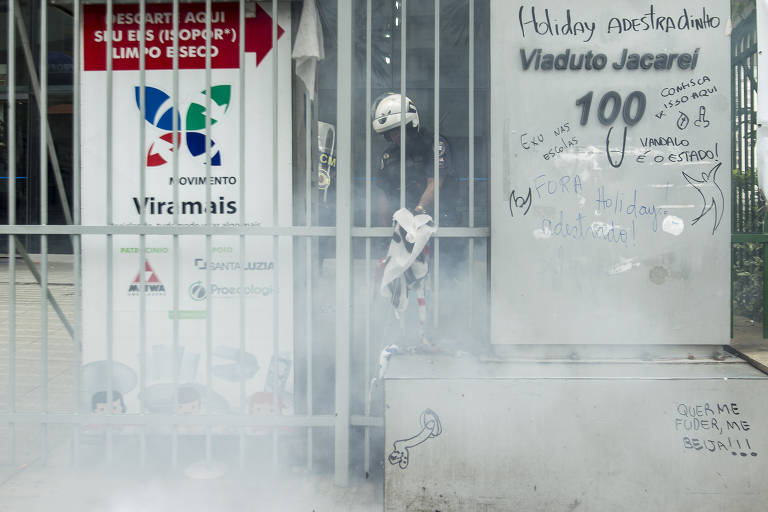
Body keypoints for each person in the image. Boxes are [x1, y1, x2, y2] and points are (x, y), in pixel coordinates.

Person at [372, 93, 457, 227]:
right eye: (390, 133)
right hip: (402, 227)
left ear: (410, 125)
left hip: (440, 224)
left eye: (397, 130)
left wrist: (417, 213)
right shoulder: (389, 155)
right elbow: (384, 194)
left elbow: (435, 182)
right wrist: (385, 233)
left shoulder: (434, 144)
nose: (395, 136)